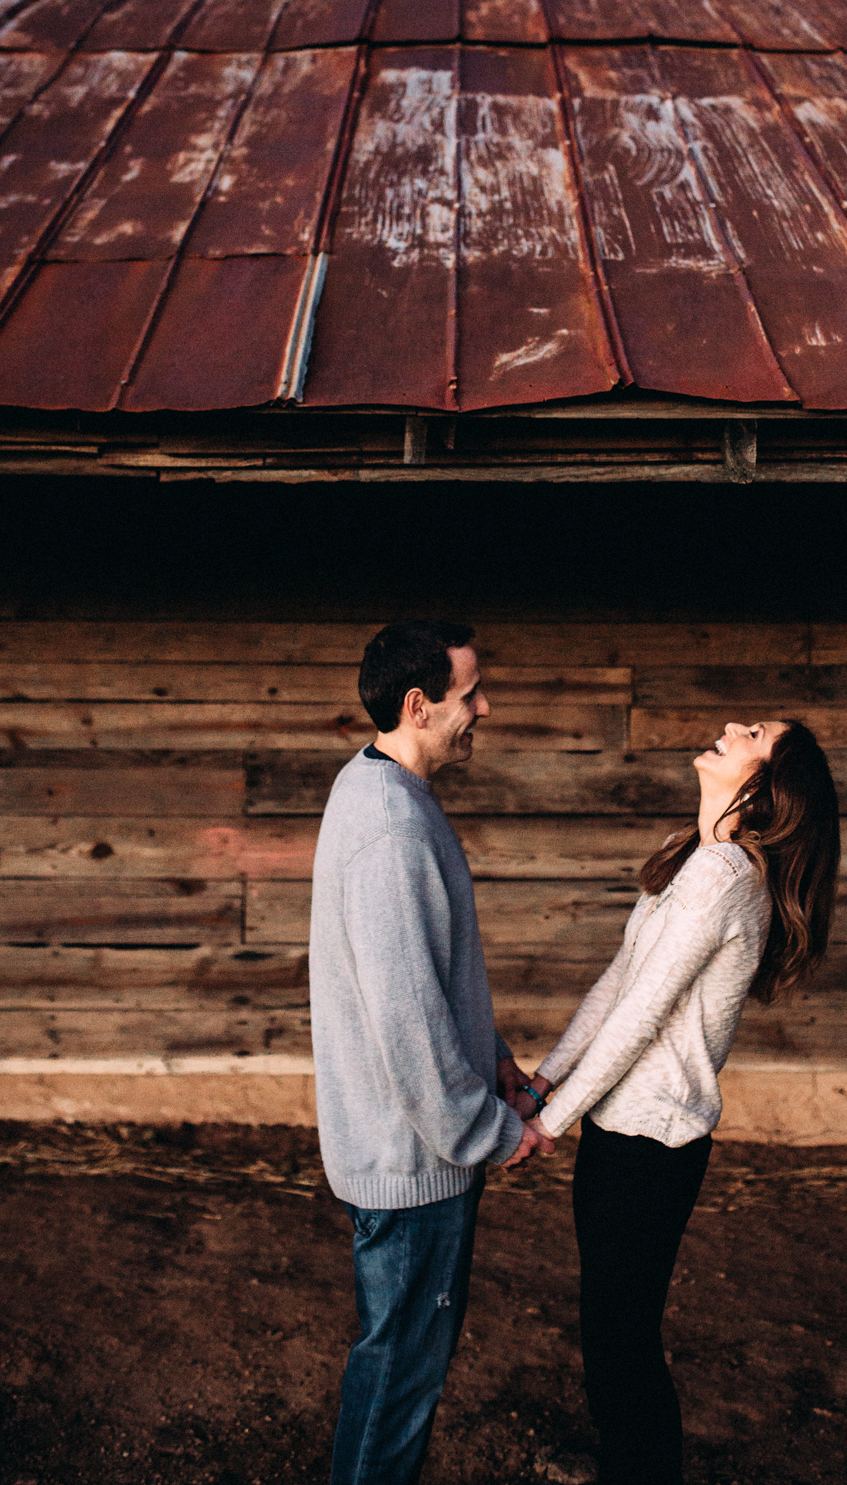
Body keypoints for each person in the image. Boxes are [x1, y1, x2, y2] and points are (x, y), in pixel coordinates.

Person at [516, 717, 841, 1485]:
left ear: (765, 786)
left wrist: (545, 1126)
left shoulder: (722, 876)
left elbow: (641, 1015)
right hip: (623, 1129)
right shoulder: (701, 861)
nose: (731, 726)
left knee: (621, 1340)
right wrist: (542, 1082)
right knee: (611, 1332)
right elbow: (619, 981)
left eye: (753, 732)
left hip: (649, 1145)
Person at [310, 619, 552, 1485]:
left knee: (399, 1365)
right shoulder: (388, 828)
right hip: (412, 1159)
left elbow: (428, 976)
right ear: (419, 704)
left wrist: (489, 1055)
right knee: (398, 1378)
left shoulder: (386, 792)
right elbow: (407, 1024)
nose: (483, 707)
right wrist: (490, 1130)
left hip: (411, 1142)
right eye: (469, 692)